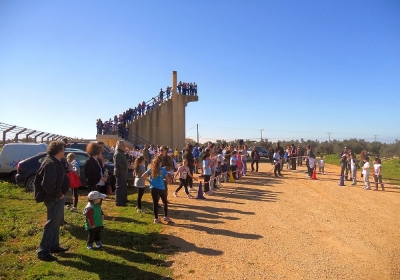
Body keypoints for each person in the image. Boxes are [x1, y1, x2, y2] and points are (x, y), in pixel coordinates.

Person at [35, 141, 70, 262]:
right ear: (59, 151)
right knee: (51, 224)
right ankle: (43, 251)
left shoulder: (55, 160)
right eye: (63, 149)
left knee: (55, 223)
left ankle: (54, 246)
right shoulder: (50, 163)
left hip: (57, 196)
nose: (64, 151)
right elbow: (48, 184)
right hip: (53, 197)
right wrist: (59, 195)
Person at [141, 156, 172, 223]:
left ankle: (156, 218)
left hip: (153, 188)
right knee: (164, 202)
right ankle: (166, 217)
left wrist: (149, 181)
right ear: (160, 162)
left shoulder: (151, 169)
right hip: (161, 188)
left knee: (155, 203)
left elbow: (143, 176)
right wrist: (164, 179)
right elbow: (167, 179)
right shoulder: (163, 170)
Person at [114, 140, 129, 206]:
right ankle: (119, 202)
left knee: (124, 187)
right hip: (120, 173)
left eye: (124, 145)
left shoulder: (121, 153)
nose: (124, 146)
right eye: (123, 145)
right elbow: (117, 164)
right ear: (119, 146)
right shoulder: (118, 153)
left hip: (123, 172)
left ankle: (124, 199)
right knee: (120, 187)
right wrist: (126, 166)